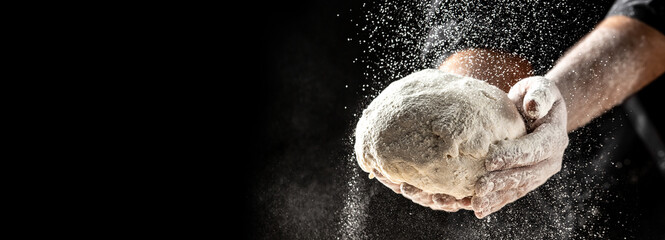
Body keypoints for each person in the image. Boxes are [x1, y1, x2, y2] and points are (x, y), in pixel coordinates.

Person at [372, 0, 665, 218]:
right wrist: (470, 113)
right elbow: (478, 25)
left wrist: (552, 103)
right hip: (534, 191)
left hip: (643, 154)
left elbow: (651, 19)